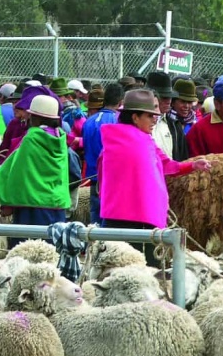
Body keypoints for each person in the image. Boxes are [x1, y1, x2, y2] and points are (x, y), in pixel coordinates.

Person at [98, 89, 210, 263]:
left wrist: (192, 165)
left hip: (118, 217)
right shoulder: (140, 142)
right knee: (145, 271)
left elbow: (165, 163)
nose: (155, 119)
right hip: (140, 220)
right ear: (135, 117)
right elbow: (163, 164)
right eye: (150, 116)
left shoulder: (121, 140)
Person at [0, 95, 71, 248]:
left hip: (32, 206)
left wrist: (6, 201)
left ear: (35, 117)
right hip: (57, 204)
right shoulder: (60, 139)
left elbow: (17, 171)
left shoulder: (32, 139)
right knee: (51, 252)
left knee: (27, 252)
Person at [82, 83, 122, 222]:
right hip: (111, 181)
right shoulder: (118, 121)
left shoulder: (88, 121)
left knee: (95, 226)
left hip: (94, 180)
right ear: (120, 102)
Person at [147, 72, 187, 161]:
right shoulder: (137, 126)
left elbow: (182, 159)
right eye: (164, 97)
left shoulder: (175, 126)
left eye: (170, 97)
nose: (169, 101)